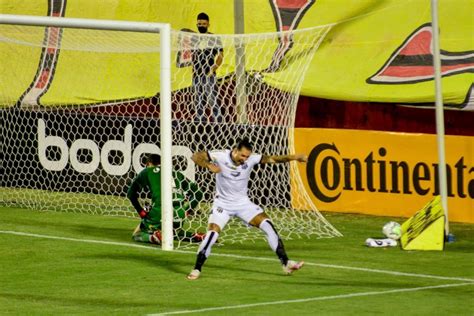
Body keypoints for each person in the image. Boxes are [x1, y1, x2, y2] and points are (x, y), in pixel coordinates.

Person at [187, 138, 306, 280]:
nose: (245, 159)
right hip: (222, 205)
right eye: (243, 155)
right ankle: (197, 269)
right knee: (212, 234)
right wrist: (208, 165)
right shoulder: (220, 155)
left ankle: (286, 263)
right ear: (235, 151)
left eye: (247, 156)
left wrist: (295, 157)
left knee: (268, 226)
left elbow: (274, 159)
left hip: (243, 204)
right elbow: (195, 156)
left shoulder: (252, 159)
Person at [127, 154, 204, 244]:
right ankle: (195, 236)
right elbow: (198, 193)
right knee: (171, 233)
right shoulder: (176, 173)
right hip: (179, 213)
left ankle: (154, 237)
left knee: (138, 234)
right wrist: (186, 210)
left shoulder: (147, 171)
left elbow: (130, 194)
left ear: (148, 164)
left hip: (160, 211)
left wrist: (141, 211)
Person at [192, 12, 224, 123]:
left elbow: (220, 56)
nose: (201, 25)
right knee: (198, 100)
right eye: (199, 23)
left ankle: (219, 121)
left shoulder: (214, 38)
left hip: (209, 74)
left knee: (212, 99)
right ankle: (200, 121)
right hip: (196, 74)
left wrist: (213, 69)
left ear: (208, 24)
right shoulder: (193, 38)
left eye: (204, 24)